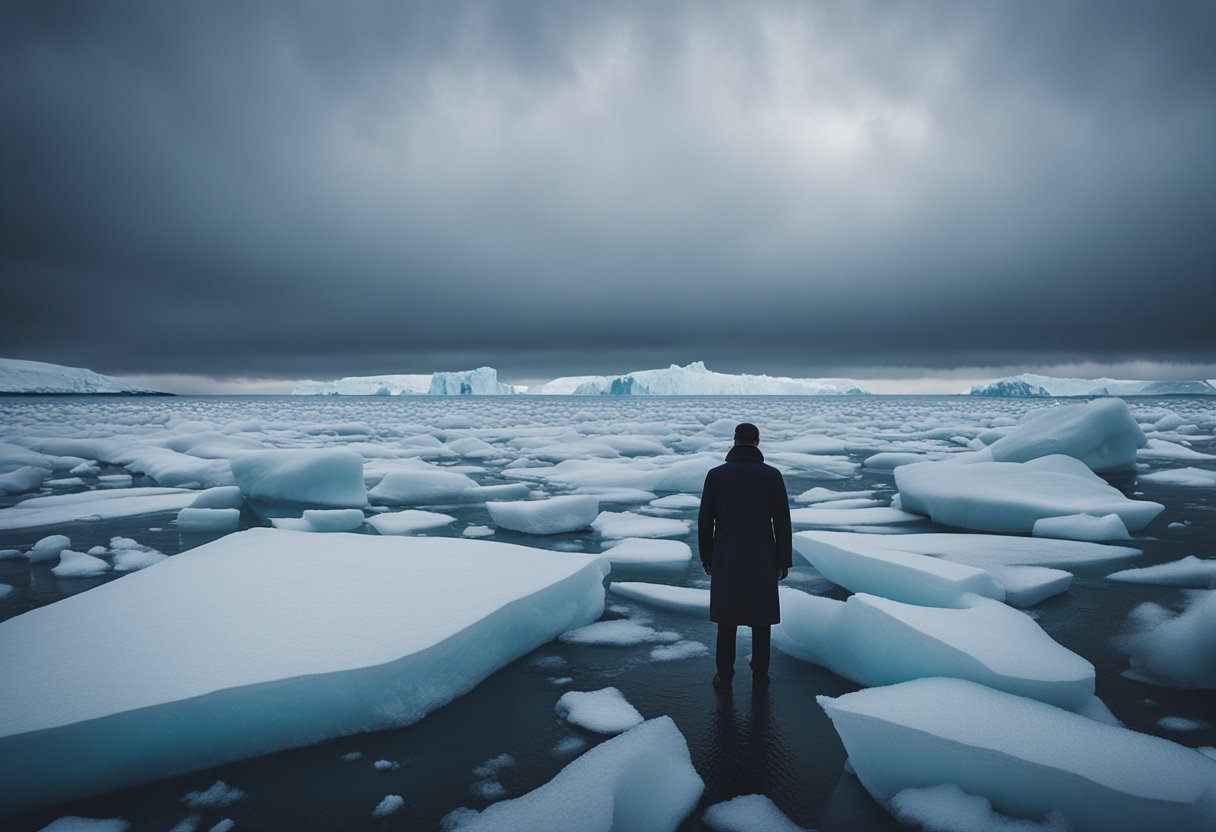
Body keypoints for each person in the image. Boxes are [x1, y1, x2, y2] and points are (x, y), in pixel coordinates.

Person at [698, 422, 792, 693]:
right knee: (761, 620)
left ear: (735, 441)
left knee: (727, 619)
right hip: (763, 555)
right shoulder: (771, 475)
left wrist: (707, 557)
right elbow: (782, 522)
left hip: (726, 555)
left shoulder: (716, 475)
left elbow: (706, 521)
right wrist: (782, 560)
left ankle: (724, 676)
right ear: (757, 442)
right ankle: (760, 677)